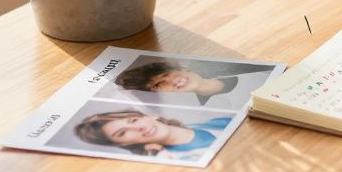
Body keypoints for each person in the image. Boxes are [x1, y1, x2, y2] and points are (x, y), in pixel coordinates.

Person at [114, 60, 273, 111]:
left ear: (180, 68)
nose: (171, 81)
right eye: (158, 85)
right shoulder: (215, 110)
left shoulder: (249, 69)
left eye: (166, 74)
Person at [74, 109, 232, 159]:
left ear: (149, 116)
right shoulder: (180, 161)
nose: (138, 128)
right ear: (123, 144)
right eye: (122, 133)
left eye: (134, 121)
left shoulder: (219, 122)